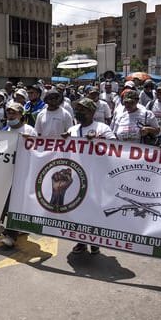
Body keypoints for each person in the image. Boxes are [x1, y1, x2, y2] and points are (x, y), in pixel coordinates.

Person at [65, 98, 116, 254]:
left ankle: (94, 241)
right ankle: (81, 241)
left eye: (83, 109)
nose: (78, 112)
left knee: (94, 210)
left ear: (92, 112)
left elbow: (116, 148)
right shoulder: (72, 129)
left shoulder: (102, 128)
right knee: (78, 209)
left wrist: (100, 141)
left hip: (96, 177)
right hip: (76, 176)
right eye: (77, 109)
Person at [0, 102, 37, 247]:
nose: (10, 115)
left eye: (14, 113)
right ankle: (16, 228)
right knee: (6, 203)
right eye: (8, 113)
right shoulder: (4, 129)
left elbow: (37, 150)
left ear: (21, 115)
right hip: (6, 171)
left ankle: (11, 235)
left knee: (15, 203)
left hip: (22, 172)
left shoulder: (29, 130)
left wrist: (30, 141)